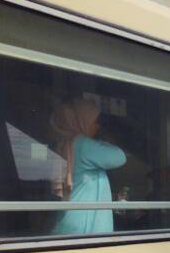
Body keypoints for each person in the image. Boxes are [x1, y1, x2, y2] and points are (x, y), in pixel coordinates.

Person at [50, 98, 126, 235]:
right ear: (81, 121)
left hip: (68, 221)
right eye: (94, 121)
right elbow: (119, 157)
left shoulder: (63, 144)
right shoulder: (82, 145)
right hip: (84, 228)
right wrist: (103, 141)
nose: (97, 127)